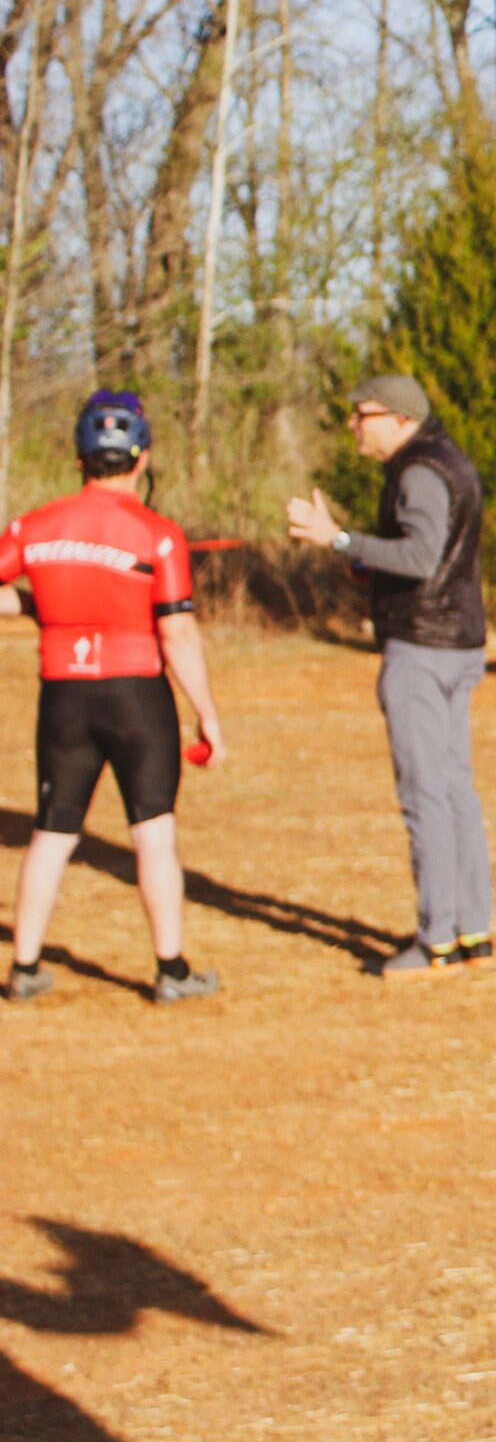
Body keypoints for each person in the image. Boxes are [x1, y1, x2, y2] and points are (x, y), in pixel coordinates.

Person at [0, 392, 224, 1005]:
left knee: (53, 831)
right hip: (136, 697)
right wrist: (206, 713)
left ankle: (24, 966)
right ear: (142, 458)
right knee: (153, 834)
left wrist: (39, 605)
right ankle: (171, 969)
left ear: (79, 459)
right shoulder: (158, 534)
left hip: (64, 696)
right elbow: (176, 630)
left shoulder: (36, 525)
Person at [284, 375, 494, 978]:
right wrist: (362, 561)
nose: (353, 425)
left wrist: (339, 538)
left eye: (362, 415)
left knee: (425, 794)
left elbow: (421, 556)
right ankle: (471, 929)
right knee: (454, 789)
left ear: (399, 419)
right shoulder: (444, 461)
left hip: (423, 649)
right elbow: (428, 558)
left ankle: (435, 941)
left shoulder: (419, 470)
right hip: (456, 643)